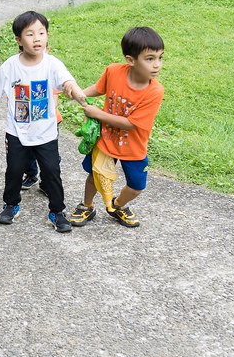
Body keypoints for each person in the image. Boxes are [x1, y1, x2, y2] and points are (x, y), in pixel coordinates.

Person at [0, 11, 88, 232]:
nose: (37, 38)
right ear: (18, 40)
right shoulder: (11, 65)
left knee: (52, 171)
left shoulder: (52, 64)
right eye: (30, 34)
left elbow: (67, 82)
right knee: (14, 170)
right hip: (17, 132)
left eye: (41, 33)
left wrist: (78, 94)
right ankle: (11, 205)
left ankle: (57, 211)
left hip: (46, 132)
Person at [68, 27, 164, 229]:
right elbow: (98, 88)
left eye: (160, 58)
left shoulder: (154, 91)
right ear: (130, 60)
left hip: (134, 147)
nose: (157, 65)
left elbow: (130, 124)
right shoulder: (114, 71)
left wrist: (97, 114)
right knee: (95, 176)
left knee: (137, 187)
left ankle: (117, 205)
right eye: (150, 59)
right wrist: (78, 93)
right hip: (106, 140)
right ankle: (87, 205)